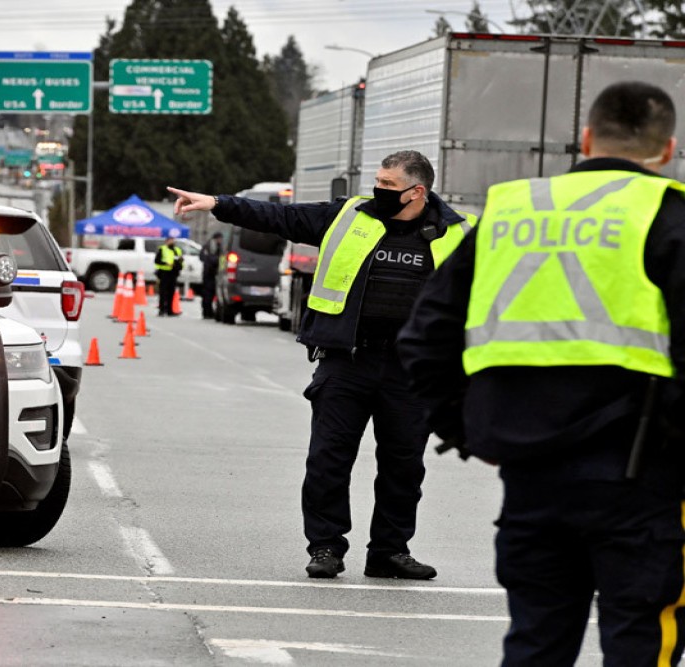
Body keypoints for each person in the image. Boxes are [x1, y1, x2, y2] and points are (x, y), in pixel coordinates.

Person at [397, 81, 685, 664]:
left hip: (530, 472)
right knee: (641, 638)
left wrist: (467, 430)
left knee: (536, 641)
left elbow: (425, 338)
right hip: (641, 478)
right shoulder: (670, 216)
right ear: (668, 149)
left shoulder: (511, 211)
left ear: (586, 139)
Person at [168, 151, 477, 580]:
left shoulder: (460, 233)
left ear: (417, 191)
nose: (378, 190)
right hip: (348, 361)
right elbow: (280, 217)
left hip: (412, 371)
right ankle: (326, 546)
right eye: (378, 181)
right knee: (327, 460)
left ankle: (389, 552)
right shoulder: (348, 216)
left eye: (388, 185)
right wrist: (219, 204)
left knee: (404, 467)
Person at [154, 236, 184, 316]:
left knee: (171, 292)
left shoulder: (177, 250)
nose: (172, 242)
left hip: (173, 273)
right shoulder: (162, 249)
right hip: (164, 273)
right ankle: (161, 310)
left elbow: (180, 261)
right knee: (163, 292)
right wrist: (166, 263)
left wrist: (179, 264)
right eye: (170, 241)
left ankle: (170, 310)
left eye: (173, 240)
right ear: (166, 241)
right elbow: (157, 261)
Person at [200, 232, 224, 319]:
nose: (221, 240)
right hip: (209, 273)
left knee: (213, 294)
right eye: (219, 238)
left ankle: (211, 311)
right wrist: (217, 260)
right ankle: (207, 312)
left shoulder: (220, 247)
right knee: (208, 294)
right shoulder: (208, 246)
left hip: (216, 273)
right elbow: (203, 257)